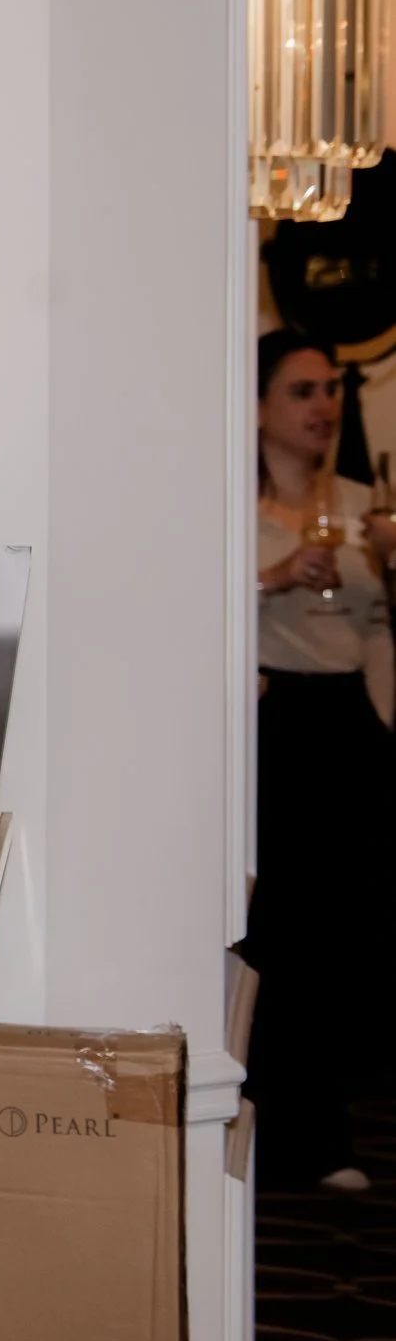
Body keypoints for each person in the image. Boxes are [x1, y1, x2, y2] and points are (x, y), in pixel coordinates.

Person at [242, 328, 396, 1194]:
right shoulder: (230, 505)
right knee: (285, 933)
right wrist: (270, 575)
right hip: (275, 718)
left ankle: (330, 1126)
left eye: (330, 388)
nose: (324, 405)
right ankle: (278, 1126)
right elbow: (198, 607)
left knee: (350, 930)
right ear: (259, 404)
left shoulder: (359, 501)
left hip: (349, 721)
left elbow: (376, 632)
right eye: (303, 390)